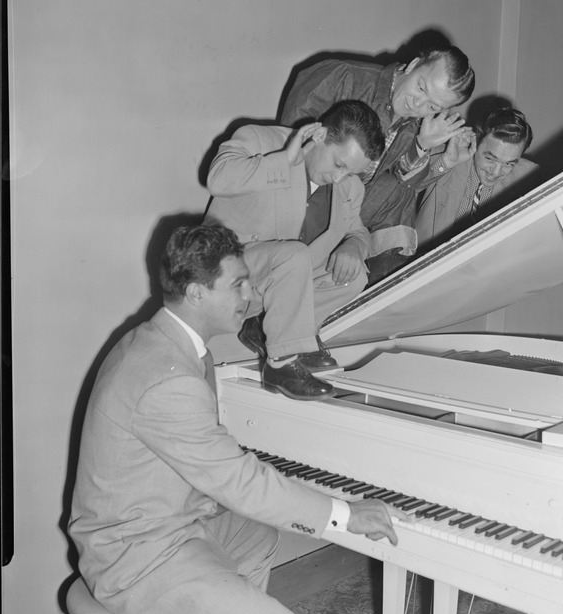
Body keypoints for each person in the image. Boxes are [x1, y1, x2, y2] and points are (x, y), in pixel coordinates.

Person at [68, 224, 404, 614]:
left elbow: (214, 461)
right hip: (135, 555)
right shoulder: (167, 376)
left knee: (256, 535)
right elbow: (238, 480)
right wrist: (343, 515)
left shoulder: (168, 345)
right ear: (196, 293)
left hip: (165, 520)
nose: (251, 293)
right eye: (238, 284)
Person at [204, 100, 384, 401]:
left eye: (351, 173)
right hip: (227, 273)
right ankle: (281, 365)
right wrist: (284, 162)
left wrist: (355, 245)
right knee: (294, 255)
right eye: (339, 165)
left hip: (275, 286)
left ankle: (272, 331)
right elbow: (217, 179)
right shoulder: (261, 141)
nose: (339, 178)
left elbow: (358, 230)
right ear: (320, 136)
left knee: (354, 277)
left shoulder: (349, 187)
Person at [280, 43, 476, 282]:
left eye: (433, 106)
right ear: (413, 65)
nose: (418, 104)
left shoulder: (419, 126)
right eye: (421, 87)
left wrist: (423, 145)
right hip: (296, 210)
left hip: (343, 220)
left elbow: (395, 187)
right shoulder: (343, 76)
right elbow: (287, 147)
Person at [414, 107, 537, 253]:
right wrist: (446, 162)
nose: (496, 172)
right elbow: (407, 188)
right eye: (490, 158)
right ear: (476, 140)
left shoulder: (529, 176)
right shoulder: (445, 156)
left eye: (509, 163)